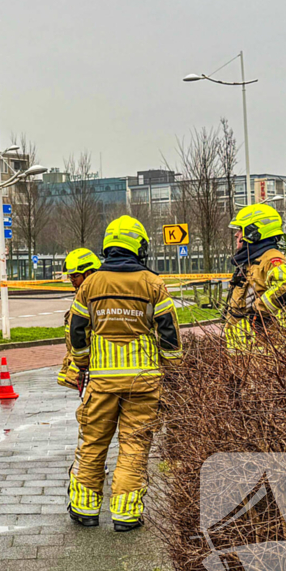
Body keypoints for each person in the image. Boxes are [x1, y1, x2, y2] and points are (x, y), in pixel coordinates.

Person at [66, 216, 182, 531]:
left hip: (101, 383)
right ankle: (126, 515)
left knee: (92, 443)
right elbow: (169, 333)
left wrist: (83, 362)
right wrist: (173, 369)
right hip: (143, 382)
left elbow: (77, 330)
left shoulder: (90, 284)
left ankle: (84, 509)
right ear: (139, 246)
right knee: (134, 446)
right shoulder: (152, 283)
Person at [224, 204, 286, 354]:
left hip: (266, 348)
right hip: (244, 349)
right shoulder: (250, 260)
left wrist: (259, 311)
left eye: (241, 230)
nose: (237, 235)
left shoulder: (271, 258)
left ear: (254, 232)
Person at [58, 248, 101, 391]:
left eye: (75, 276)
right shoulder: (81, 295)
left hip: (94, 367)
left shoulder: (96, 297)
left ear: (88, 273)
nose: (72, 281)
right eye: (70, 277)